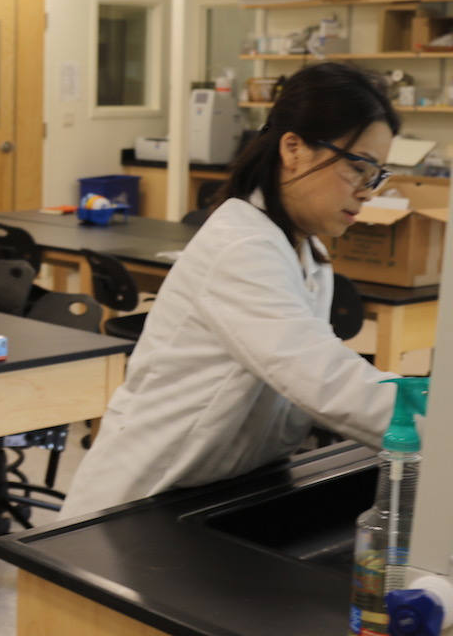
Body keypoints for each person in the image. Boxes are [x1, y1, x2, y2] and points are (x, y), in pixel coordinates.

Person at [59, 62, 403, 520]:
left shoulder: (305, 252)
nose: (367, 192)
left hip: (224, 492)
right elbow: (327, 381)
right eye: (359, 168)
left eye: (376, 175)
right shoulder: (241, 247)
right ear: (294, 149)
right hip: (137, 506)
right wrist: (433, 424)